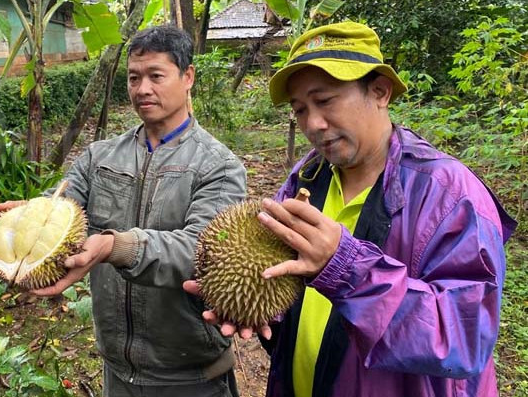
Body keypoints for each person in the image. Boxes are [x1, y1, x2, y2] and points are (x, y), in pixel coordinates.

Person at [185, 21, 516, 397]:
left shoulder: (450, 196)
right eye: (299, 110)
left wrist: (346, 267)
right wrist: (258, 310)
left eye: (324, 101)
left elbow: (465, 338)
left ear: (380, 91)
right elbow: (282, 277)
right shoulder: (306, 178)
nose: (313, 123)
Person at [0, 25, 247, 397]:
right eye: (134, 77)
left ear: (188, 77)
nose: (142, 89)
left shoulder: (219, 166)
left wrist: (115, 247)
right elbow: (62, 208)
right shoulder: (100, 157)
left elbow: (202, 250)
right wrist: (34, 220)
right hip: (117, 370)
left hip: (190, 375)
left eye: (156, 76)